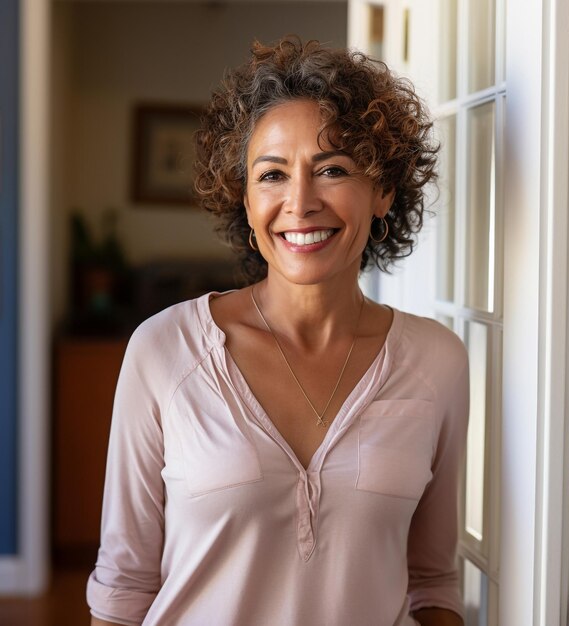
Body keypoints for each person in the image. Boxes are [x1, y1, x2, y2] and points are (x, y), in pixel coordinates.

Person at [87, 37, 469, 626]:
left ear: (384, 192)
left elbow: (435, 583)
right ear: (244, 198)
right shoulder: (164, 350)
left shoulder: (438, 361)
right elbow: (123, 585)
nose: (300, 201)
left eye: (333, 169)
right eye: (272, 174)